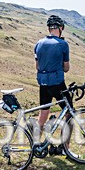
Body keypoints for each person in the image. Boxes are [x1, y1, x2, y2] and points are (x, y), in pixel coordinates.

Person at [34, 14, 71, 149]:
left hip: (43, 84)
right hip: (58, 83)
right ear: (61, 28)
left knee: (43, 113)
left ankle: (36, 145)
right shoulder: (63, 44)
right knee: (69, 112)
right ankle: (65, 148)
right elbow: (66, 68)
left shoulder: (39, 43)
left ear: (49, 28)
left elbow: (37, 66)